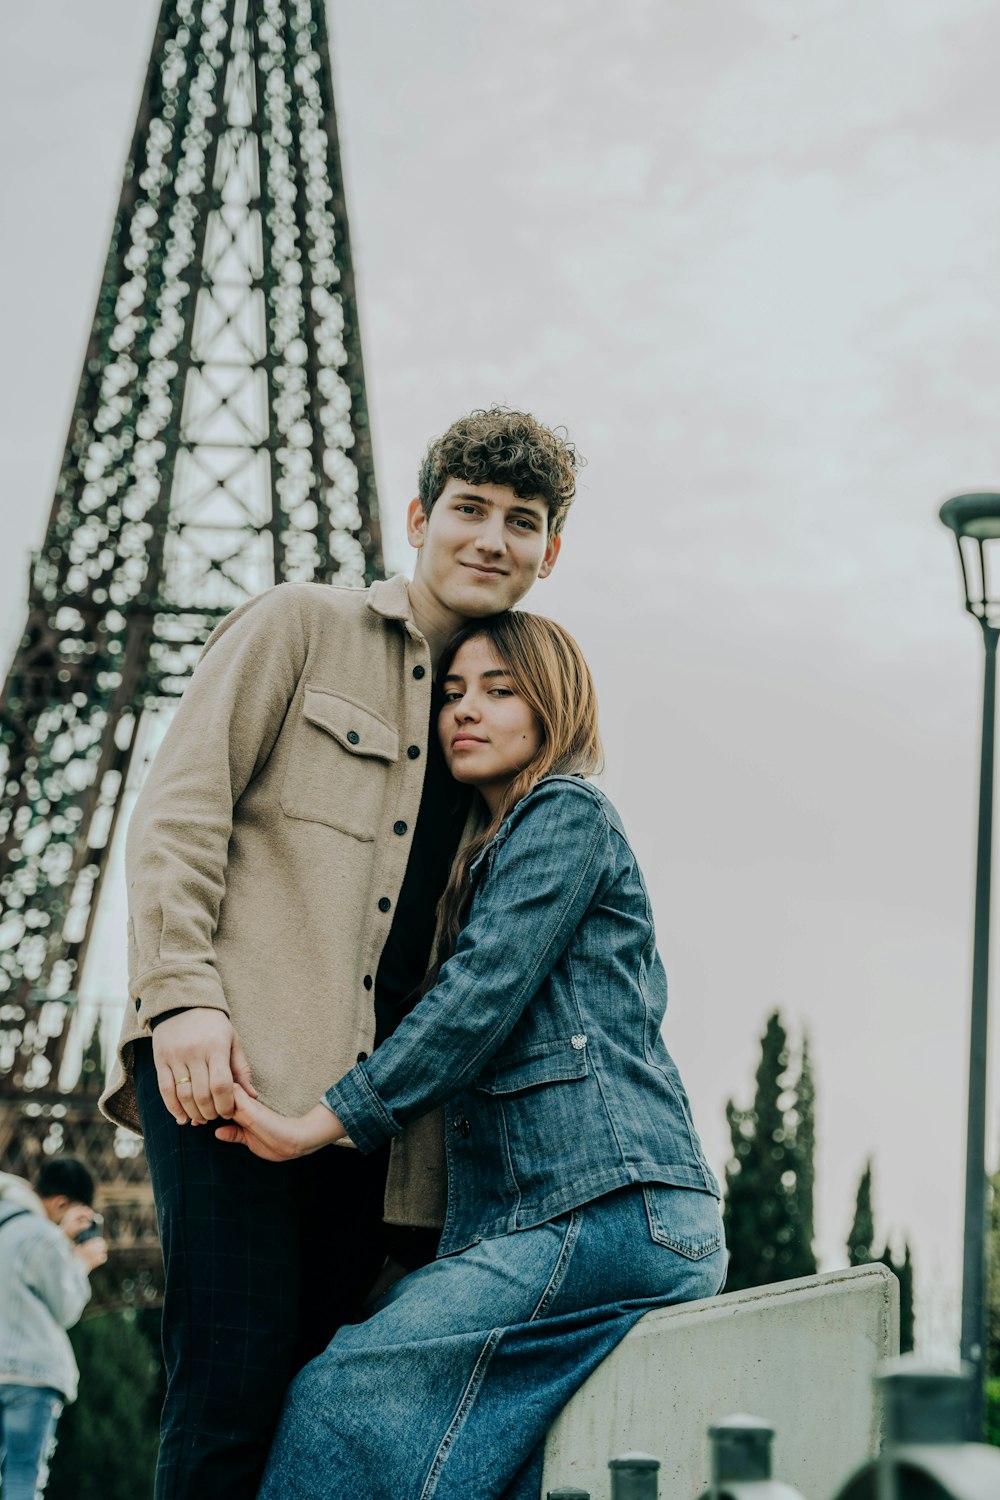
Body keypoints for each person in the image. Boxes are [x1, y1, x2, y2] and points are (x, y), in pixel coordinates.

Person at [99, 408, 580, 1499]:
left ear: (548, 554)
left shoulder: (497, 725)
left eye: (522, 521)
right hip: (231, 1074)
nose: (492, 538)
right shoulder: (297, 625)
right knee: (227, 1390)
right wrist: (181, 1001)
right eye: (469, 509)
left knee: (314, 1412)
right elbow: (180, 812)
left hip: (373, 1131)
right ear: (419, 517)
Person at [217, 612, 725, 1500]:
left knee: (340, 1396)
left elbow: (476, 1000)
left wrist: (319, 1124)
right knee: (504, 1470)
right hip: (589, 1216)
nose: (465, 711)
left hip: (608, 1207)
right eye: (450, 694)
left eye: (498, 691)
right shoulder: (485, 855)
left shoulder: (565, 814)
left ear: (553, 704)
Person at [0, 1157, 108, 1500]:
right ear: (61, 1203)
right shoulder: (43, 1236)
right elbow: (65, 1308)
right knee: (22, 1475)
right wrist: (79, 1262)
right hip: (30, 1378)